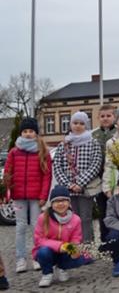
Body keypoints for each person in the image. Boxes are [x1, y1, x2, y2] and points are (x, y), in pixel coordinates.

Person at [4, 117, 52, 273]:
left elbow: (47, 175)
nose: (28, 133)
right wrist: (7, 190)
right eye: (25, 131)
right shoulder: (14, 152)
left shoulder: (42, 151)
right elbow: (7, 173)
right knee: (20, 227)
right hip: (18, 196)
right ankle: (21, 259)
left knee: (36, 227)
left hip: (36, 197)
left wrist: (43, 196)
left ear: (36, 133)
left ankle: (37, 257)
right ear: (21, 133)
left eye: (31, 131)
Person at [52, 111, 102, 244]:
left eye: (81, 123)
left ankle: (88, 245)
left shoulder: (93, 143)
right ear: (71, 124)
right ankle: (75, 245)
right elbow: (57, 167)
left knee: (85, 217)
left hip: (85, 188)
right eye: (75, 123)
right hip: (68, 190)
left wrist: (80, 183)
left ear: (86, 125)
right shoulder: (63, 145)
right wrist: (69, 185)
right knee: (71, 218)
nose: (78, 126)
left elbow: (95, 165)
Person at [32, 186, 86, 287]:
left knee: (82, 258)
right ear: (51, 204)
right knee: (43, 252)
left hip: (65, 251)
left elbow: (76, 238)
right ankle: (47, 273)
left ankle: (62, 268)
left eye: (64, 200)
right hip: (48, 251)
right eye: (57, 201)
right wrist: (60, 245)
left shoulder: (76, 219)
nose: (60, 204)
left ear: (69, 202)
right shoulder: (43, 218)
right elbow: (39, 240)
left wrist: (74, 248)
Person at [92, 104, 116, 242]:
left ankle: (116, 239)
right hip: (99, 178)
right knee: (103, 210)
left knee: (116, 210)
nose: (105, 118)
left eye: (108, 116)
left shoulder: (118, 133)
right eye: (102, 116)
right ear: (98, 118)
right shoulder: (94, 135)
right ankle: (105, 240)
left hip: (115, 178)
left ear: (114, 117)